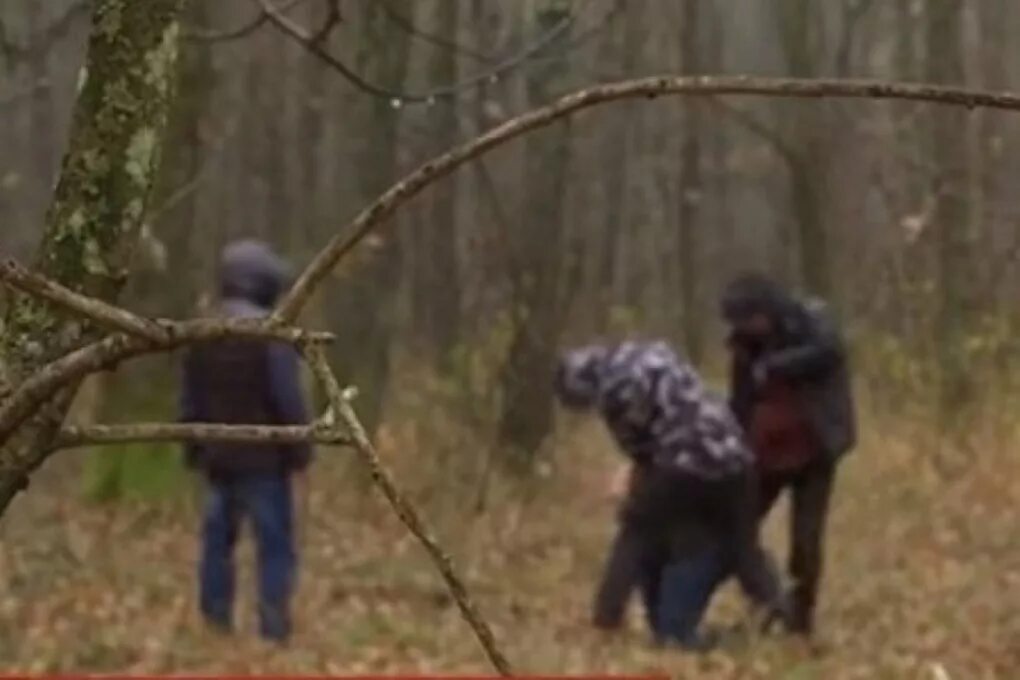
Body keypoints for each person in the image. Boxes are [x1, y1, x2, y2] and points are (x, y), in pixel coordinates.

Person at [555, 340, 789, 649]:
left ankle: (606, 619)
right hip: (737, 457)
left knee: (635, 531)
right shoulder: (650, 351)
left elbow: (641, 450)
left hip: (685, 464)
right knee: (744, 545)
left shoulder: (616, 391)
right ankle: (783, 614)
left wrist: (633, 488)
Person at [179, 239, 313, 642]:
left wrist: (194, 449)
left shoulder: (203, 331)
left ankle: (214, 624)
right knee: (274, 547)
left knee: (217, 546)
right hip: (265, 463)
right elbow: (287, 399)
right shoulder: (271, 336)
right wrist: (301, 450)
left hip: (219, 459)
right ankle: (273, 630)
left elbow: (190, 399)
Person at [721, 273, 856, 637]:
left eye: (750, 319)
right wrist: (732, 443)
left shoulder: (811, 319)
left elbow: (830, 350)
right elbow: (740, 400)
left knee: (806, 540)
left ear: (766, 310)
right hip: (766, 450)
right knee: (739, 525)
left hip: (815, 447)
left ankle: (800, 620)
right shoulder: (744, 346)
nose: (748, 327)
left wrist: (776, 365)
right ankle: (768, 603)